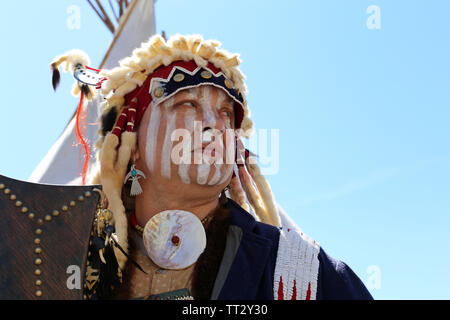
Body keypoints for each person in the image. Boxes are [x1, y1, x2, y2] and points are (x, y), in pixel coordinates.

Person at [51, 34, 373, 300]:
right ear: (132, 146)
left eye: (225, 114)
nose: (213, 125)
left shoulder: (303, 274)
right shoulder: (70, 267)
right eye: (187, 104)